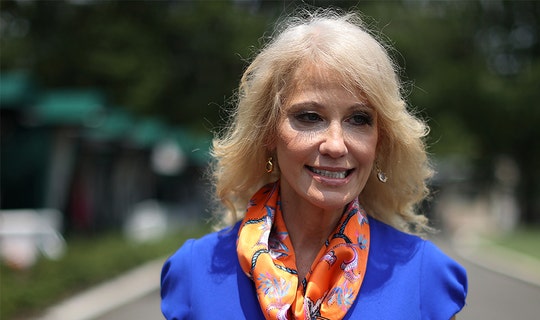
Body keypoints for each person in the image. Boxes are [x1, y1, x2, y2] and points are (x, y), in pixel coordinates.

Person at [161, 9, 467, 320]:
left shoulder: (426, 278)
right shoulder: (194, 272)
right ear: (268, 131)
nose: (335, 145)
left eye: (359, 119)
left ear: (381, 140)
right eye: (310, 117)